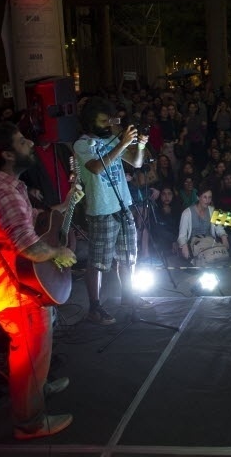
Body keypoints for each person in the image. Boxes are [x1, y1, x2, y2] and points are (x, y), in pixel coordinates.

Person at [0, 122, 76, 440]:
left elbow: (31, 224)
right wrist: (60, 253)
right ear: (6, 154)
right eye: (20, 141)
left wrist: (68, 202)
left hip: (20, 286)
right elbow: (28, 246)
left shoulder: (8, 185)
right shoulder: (4, 194)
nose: (30, 142)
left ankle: (38, 387)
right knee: (28, 353)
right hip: (15, 291)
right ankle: (29, 421)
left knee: (34, 353)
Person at [73, 97, 149, 325]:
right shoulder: (82, 144)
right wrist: (122, 143)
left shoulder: (113, 140)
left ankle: (129, 296)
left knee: (128, 257)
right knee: (98, 262)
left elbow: (136, 163)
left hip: (123, 205)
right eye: (103, 120)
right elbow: (96, 167)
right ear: (91, 121)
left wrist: (141, 144)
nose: (108, 124)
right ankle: (95, 308)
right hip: (102, 210)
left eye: (109, 120)